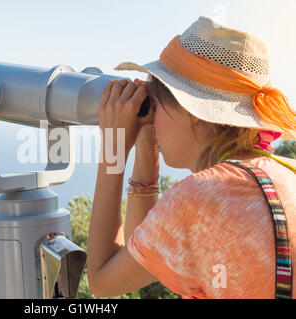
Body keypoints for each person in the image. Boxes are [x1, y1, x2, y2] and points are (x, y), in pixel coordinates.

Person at [87, 16, 296, 299]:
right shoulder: (286, 173)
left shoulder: (200, 197)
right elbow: (145, 254)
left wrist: (113, 145)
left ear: (193, 113)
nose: (151, 119)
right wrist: (146, 151)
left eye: (155, 105)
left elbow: (103, 282)